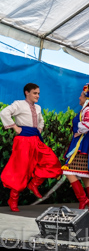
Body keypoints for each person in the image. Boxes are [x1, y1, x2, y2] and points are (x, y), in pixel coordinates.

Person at [0, 83, 62, 212]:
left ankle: (33, 184)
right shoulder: (19, 104)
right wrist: (14, 127)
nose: (37, 95)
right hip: (22, 140)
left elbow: (41, 121)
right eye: (35, 93)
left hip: (35, 139)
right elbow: (4, 113)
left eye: (38, 93)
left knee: (51, 161)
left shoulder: (38, 107)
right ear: (27, 93)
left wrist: (39, 129)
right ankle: (13, 199)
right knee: (21, 169)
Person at [62, 83, 89, 215]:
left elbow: (88, 124)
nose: (79, 98)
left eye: (80, 96)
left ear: (86, 97)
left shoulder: (88, 109)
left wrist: (79, 130)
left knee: (68, 171)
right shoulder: (88, 108)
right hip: (85, 145)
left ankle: (83, 199)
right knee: (85, 176)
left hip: (82, 146)